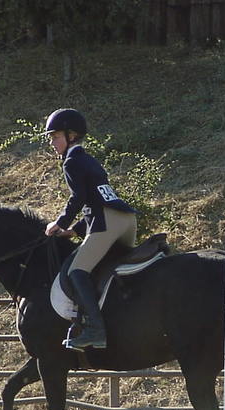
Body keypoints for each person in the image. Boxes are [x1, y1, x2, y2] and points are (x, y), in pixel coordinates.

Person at [43, 108, 137, 351]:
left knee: (77, 271)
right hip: (126, 221)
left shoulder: (71, 161)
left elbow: (79, 198)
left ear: (71, 135)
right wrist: (75, 230)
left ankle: (95, 330)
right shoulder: (89, 160)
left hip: (107, 222)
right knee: (105, 267)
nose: (52, 143)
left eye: (55, 137)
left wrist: (60, 223)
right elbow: (96, 200)